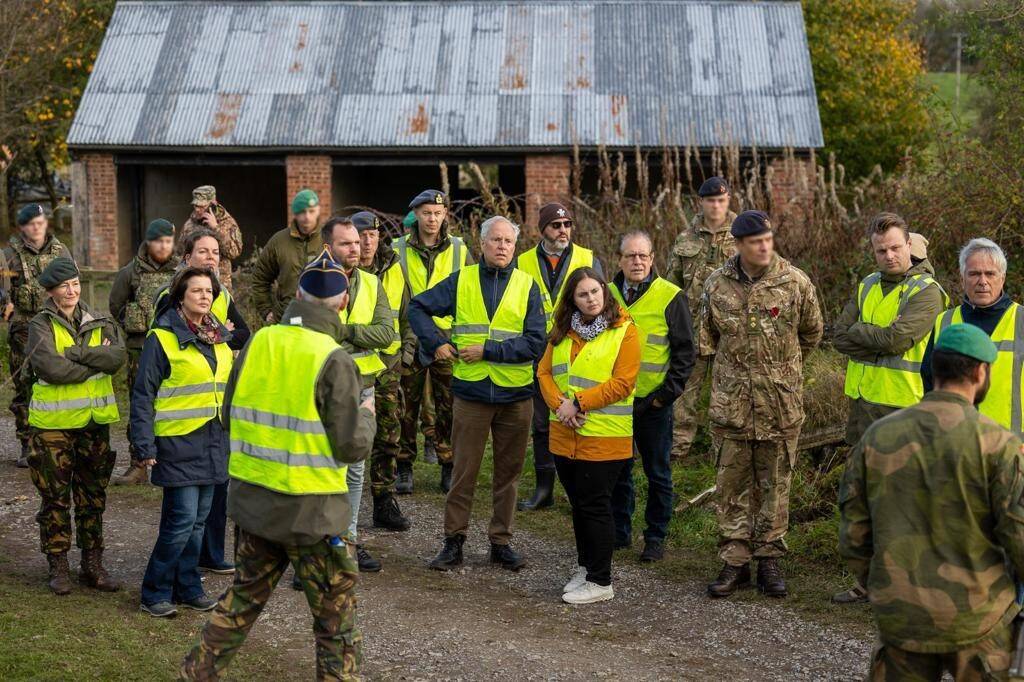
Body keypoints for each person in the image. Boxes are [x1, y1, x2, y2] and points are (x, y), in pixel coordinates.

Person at [180, 253, 374, 681]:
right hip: (315, 516)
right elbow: (351, 446)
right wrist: (368, 413)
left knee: (240, 603)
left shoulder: (258, 342)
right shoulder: (335, 359)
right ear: (343, 303)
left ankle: (195, 672)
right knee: (335, 626)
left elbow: (229, 415)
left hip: (254, 506)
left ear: (297, 295)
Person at [840, 324, 1024, 680]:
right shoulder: (999, 445)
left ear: (935, 370)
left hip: (901, 617)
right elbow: (1019, 537)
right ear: (979, 372)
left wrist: (884, 586)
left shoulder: (878, 436)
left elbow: (854, 533)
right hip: (979, 618)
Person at [409, 216, 545, 572]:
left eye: (508, 242)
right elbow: (417, 308)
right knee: (463, 472)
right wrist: (436, 343)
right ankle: (453, 542)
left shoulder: (527, 286)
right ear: (481, 244)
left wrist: (488, 351)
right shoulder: (462, 280)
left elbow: (535, 342)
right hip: (471, 396)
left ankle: (501, 542)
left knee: (508, 475)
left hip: (515, 397)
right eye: (496, 240)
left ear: (515, 247)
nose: (502, 246)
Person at [700, 211, 823, 599]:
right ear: (738, 244)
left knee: (775, 484)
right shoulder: (716, 285)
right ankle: (734, 561)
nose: (765, 246)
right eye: (756, 241)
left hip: (778, 404)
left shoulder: (795, 282)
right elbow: (707, 338)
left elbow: (812, 333)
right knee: (731, 484)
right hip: (732, 404)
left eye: (768, 238)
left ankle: (769, 558)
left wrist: (778, 371)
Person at [831, 212, 947, 604]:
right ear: (873, 250)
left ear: (909, 246)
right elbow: (837, 335)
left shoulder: (927, 292)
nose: (889, 255)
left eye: (896, 248)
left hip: (902, 411)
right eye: (881, 250)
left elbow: (898, 339)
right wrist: (869, 337)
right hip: (861, 407)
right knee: (860, 500)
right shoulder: (867, 285)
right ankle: (866, 582)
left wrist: (862, 333)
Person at [132, 267, 233, 617]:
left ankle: (188, 586)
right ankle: (155, 591)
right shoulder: (162, 338)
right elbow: (143, 394)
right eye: (197, 291)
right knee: (181, 521)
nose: (205, 296)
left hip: (213, 441)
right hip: (177, 443)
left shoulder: (219, 337)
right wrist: (143, 446)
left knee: (199, 522)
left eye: (209, 291)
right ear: (180, 296)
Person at [538, 267, 641, 604]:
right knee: (579, 506)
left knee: (596, 506)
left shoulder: (624, 331)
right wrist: (560, 406)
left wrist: (579, 402)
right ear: (573, 300)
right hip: (565, 435)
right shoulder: (563, 331)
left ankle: (601, 581)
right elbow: (544, 372)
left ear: (605, 291)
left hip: (605, 438)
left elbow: (623, 382)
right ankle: (586, 566)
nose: (591, 299)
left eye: (595, 291)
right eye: (583, 294)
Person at [152, 228, 251, 575]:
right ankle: (171, 576)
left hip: (215, 419)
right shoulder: (172, 295)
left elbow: (243, 333)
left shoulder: (219, 292)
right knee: (183, 512)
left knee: (211, 499)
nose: (212, 258)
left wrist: (220, 333)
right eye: (204, 252)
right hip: (181, 424)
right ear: (187, 257)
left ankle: (206, 557)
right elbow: (166, 336)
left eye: (216, 253)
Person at [25, 257, 126, 595]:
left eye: (75, 284)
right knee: (55, 498)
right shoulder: (40, 324)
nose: (71, 291)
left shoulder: (98, 319)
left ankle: (92, 565)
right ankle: (58, 566)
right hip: (53, 426)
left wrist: (75, 353)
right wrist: (92, 359)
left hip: (93, 425)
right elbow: (51, 368)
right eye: (63, 286)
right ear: (51, 291)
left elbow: (116, 358)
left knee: (92, 497)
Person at [609, 231, 695, 561]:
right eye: (630, 256)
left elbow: (685, 353)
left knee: (658, 473)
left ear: (653, 258)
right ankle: (620, 531)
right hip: (615, 402)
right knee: (618, 469)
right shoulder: (607, 295)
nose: (637, 262)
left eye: (643, 256)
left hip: (654, 403)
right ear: (619, 259)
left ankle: (655, 536)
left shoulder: (670, 296)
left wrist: (664, 397)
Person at [321, 214, 397, 572]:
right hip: (323, 387)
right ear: (328, 247)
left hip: (363, 387)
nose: (356, 248)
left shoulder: (371, 282)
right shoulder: (311, 282)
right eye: (346, 243)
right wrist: (351, 333)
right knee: (322, 469)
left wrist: (346, 330)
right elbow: (311, 331)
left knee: (353, 471)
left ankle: (346, 544)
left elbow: (386, 333)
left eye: (357, 242)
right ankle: (317, 549)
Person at [515, 202, 603, 512]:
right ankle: (544, 489)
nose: (562, 231)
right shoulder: (523, 261)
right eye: (555, 226)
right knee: (542, 424)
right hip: (539, 354)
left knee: (580, 420)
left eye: (566, 225)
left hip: (578, 352)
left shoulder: (588, 258)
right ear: (543, 230)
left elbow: (600, 304)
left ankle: (579, 490)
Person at [394, 189, 471, 495]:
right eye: (427, 213)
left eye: (438, 214)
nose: (433, 219)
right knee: (406, 406)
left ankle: (448, 465)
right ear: (416, 215)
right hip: (410, 336)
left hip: (445, 337)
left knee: (448, 405)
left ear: (445, 216)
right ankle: (403, 467)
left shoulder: (459, 249)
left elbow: (470, 290)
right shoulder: (397, 248)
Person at [349, 211, 416, 534]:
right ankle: (343, 508)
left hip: (388, 367)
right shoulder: (343, 271)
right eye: (361, 236)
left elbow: (408, 315)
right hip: (352, 367)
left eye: (372, 236)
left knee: (388, 435)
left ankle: (383, 500)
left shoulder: (394, 268)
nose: (366, 242)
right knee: (348, 436)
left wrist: (407, 354)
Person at [667, 177, 737, 461]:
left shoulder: (743, 235)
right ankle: (679, 446)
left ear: (728, 200)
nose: (716, 206)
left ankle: (722, 446)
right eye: (711, 200)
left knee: (728, 388)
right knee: (686, 387)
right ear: (702, 202)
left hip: (730, 327)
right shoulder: (686, 238)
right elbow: (671, 283)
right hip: (693, 326)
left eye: (721, 200)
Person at [924, 238, 1023, 436]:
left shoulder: (1021, 320)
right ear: (962, 279)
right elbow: (928, 381)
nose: (982, 281)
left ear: (1002, 278)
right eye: (974, 274)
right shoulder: (944, 322)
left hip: (1013, 446)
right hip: (958, 442)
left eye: (990, 274)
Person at [109, 218, 179, 486]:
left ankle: (170, 463)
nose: (163, 246)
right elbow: (116, 304)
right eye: (159, 241)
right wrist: (134, 321)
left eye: (168, 241)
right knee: (141, 404)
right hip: (140, 349)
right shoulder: (131, 272)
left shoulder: (181, 272)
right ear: (149, 242)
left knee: (173, 403)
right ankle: (138, 464)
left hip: (174, 349)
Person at [3, 203, 72, 468]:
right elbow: (3, 294)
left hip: (56, 325)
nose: (37, 226)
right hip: (24, 329)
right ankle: (28, 442)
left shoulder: (60, 251)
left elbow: (71, 285)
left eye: (41, 221)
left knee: (56, 380)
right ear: (22, 226)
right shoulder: (8, 255)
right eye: (31, 222)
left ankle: (57, 438)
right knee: (25, 384)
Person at [250, 189, 324, 324]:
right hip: (287, 318)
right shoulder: (279, 241)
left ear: (318, 210)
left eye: (311, 211)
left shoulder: (329, 239)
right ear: (295, 214)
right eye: (302, 212)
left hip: (322, 318)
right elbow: (260, 278)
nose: (307, 217)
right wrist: (266, 311)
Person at [179, 185, 243, 289]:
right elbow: (181, 253)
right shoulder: (189, 224)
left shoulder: (227, 223)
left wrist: (216, 228)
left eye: (202, 206)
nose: (198, 210)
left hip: (220, 284)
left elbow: (234, 252)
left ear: (213, 204)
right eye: (195, 206)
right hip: (194, 283)